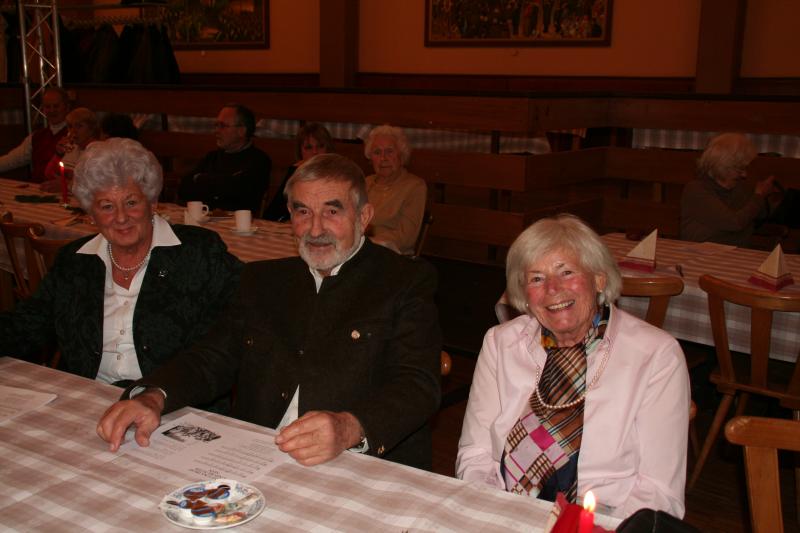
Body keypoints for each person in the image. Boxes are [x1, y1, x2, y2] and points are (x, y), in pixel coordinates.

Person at [96, 153, 442, 470]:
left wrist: (349, 427)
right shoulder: (263, 280)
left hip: (357, 461)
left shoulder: (404, 281)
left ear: (363, 217)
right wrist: (155, 395)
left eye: (332, 212)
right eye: (303, 212)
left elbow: (417, 384)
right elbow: (214, 356)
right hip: (255, 455)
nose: (315, 229)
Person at [456, 214, 689, 519]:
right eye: (536, 278)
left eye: (566, 272)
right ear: (523, 294)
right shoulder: (501, 343)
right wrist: (496, 513)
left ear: (599, 279)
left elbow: (659, 493)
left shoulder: (655, 355)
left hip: (606, 521)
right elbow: (475, 455)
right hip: (506, 512)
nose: (552, 288)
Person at [0, 138, 242, 387]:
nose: (121, 217)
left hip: (172, 397)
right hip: (88, 395)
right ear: (91, 214)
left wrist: (164, 392)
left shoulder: (198, 252)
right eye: (106, 206)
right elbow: (28, 323)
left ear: (152, 202)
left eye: (131, 202)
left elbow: (229, 335)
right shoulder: (74, 261)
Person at [680, 132, 776, 247]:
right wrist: (759, 196)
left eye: (744, 168)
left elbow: (761, 214)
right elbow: (733, 223)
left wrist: (768, 198)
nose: (744, 174)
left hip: (738, 252)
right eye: (739, 169)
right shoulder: (696, 190)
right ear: (723, 166)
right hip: (702, 253)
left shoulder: (740, 186)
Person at [178, 103, 271, 215]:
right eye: (216, 125)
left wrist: (200, 179)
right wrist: (222, 183)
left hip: (238, 223)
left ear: (241, 131)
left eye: (222, 126)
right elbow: (184, 189)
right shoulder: (212, 157)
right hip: (204, 219)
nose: (216, 131)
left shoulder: (259, 160)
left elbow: (242, 195)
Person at [363, 125, 427, 255]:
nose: (383, 158)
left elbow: (406, 237)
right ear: (371, 158)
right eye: (377, 152)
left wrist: (367, 245)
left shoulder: (415, 187)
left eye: (389, 151)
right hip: (359, 250)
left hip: (392, 255)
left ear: (401, 155)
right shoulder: (366, 182)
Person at [262, 123, 335, 222]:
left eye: (320, 146)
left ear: (328, 148)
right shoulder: (295, 171)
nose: (315, 152)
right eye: (308, 147)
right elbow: (273, 213)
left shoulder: (337, 174)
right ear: (300, 151)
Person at [0, 87, 70, 182]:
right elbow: (12, 160)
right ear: (43, 109)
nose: (52, 110)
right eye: (47, 107)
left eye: (56, 106)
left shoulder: (75, 136)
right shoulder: (36, 136)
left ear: (67, 107)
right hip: (36, 187)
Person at [40, 107, 100, 190]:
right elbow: (49, 174)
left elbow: (96, 185)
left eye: (79, 126)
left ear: (91, 129)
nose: (73, 131)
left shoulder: (99, 151)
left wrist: (67, 185)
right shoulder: (71, 148)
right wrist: (58, 154)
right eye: (70, 127)